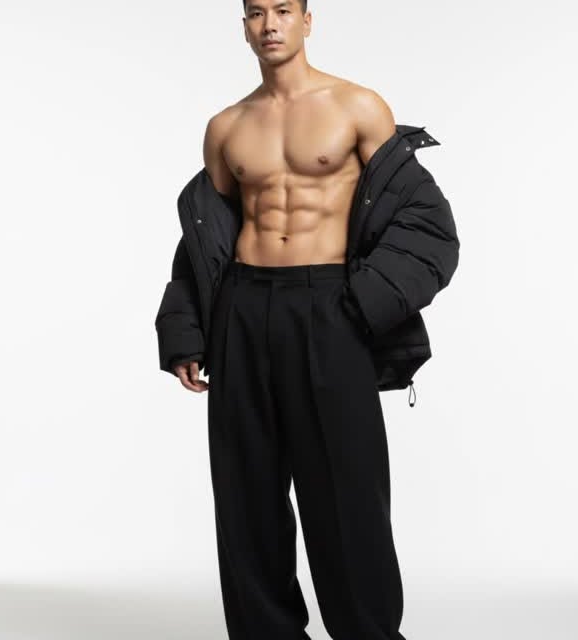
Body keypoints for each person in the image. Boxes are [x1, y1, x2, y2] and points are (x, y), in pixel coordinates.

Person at [155, 1, 460, 638]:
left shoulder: (357, 107)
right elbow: (205, 239)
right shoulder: (226, 126)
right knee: (246, 495)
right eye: (255, 13)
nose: (269, 24)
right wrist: (187, 332)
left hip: (331, 307)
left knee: (348, 493)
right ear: (243, 26)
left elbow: (424, 222)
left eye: (283, 10)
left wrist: (364, 304)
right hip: (242, 308)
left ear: (307, 20)